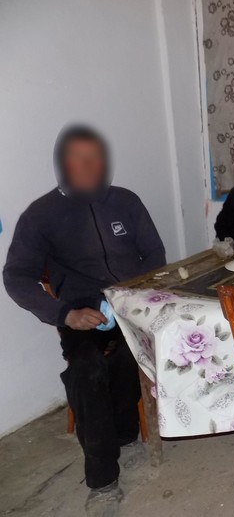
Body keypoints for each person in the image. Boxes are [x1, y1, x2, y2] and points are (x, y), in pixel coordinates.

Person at [3, 125, 166, 517]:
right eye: (80, 159)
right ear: (63, 163)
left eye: (96, 158)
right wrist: (65, 314)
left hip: (131, 304)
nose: (91, 166)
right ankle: (103, 481)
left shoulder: (126, 201)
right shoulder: (41, 215)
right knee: (87, 370)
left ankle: (126, 435)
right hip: (81, 313)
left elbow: (154, 254)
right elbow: (16, 276)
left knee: (138, 355)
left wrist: (135, 294)